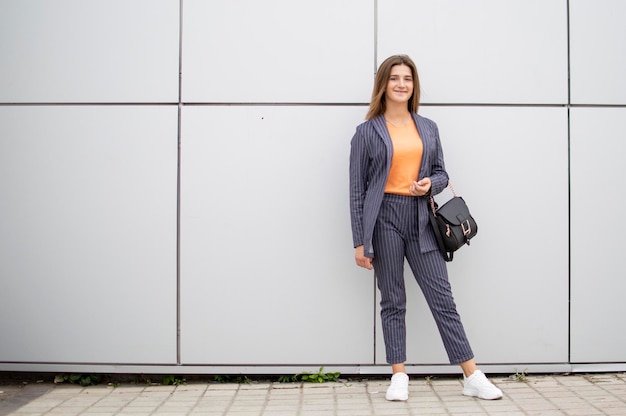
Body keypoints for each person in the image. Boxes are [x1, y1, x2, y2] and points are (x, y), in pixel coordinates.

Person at [349, 54, 503, 401]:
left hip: (421, 217)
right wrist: (360, 241)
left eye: (408, 78)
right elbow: (357, 190)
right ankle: (399, 375)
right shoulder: (366, 133)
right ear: (383, 85)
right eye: (394, 78)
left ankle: (472, 375)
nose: (402, 84)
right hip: (383, 219)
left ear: (413, 85)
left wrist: (428, 185)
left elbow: (442, 173)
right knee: (392, 298)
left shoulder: (428, 127)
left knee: (442, 299)